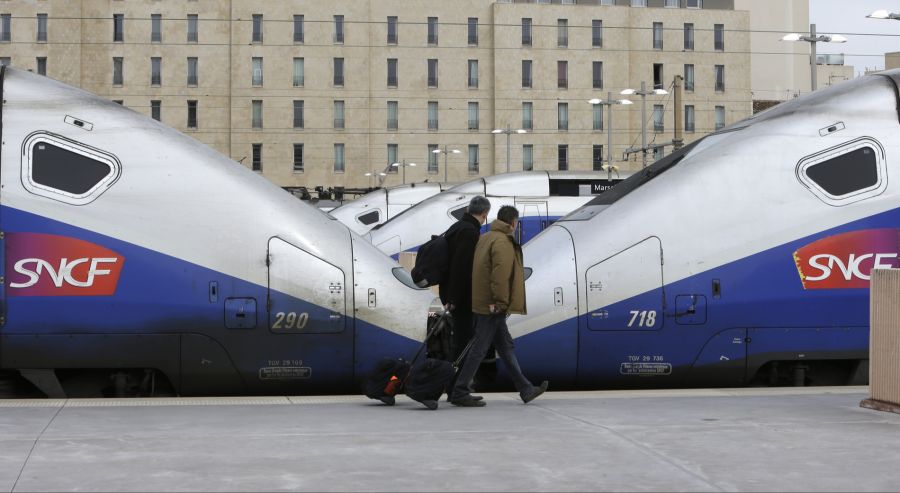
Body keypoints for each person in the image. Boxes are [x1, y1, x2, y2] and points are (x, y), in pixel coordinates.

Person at [450, 205, 548, 407]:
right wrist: (500, 302)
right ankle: (459, 390)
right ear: (513, 222)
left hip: (484, 301)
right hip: (493, 305)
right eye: (516, 222)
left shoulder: (485, 237)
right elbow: (499, 275)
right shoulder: (502, 242)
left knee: (505, 346)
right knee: (479, 348)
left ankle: (526, 388)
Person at [439, 196, 490, 361]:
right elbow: (461, 268)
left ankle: (458, 381)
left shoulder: (457, 227)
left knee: (461, 339)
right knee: (463, 340)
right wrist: (453, 298)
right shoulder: (469, 232)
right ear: (484, 213)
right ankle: (456, 382)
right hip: (462, 298)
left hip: (452, 292)